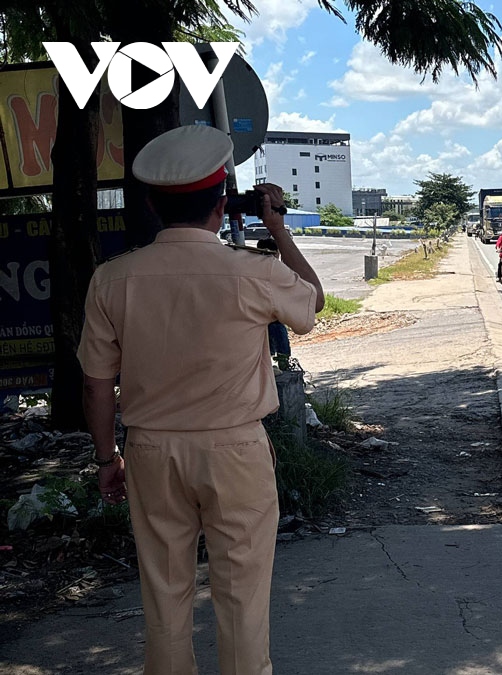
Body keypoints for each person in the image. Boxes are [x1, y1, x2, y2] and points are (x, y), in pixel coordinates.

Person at [78, 124, 323, 675]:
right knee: (242, 594)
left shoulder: (112, 279)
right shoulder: (253, 273)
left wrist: (105, 458)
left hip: (149, 451)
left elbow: (96, 382)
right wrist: (278, 230)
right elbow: (313, 303)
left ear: (151, 203)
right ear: (220, 205)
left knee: (164, 594)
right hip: (235, 450)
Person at [257, 237, 292, 357]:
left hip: (258, 318)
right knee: (281, 352)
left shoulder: (253, 268)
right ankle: (283, 361)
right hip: (272, 318)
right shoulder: (277, 270)